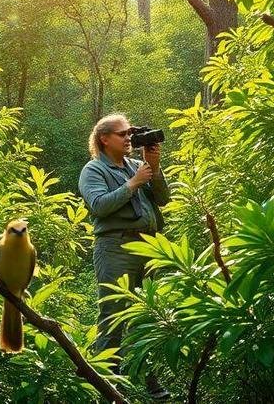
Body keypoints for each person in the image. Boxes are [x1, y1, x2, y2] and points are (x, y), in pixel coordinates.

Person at [78, 113, 171, 399]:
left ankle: (151, 381)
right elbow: (99, 206)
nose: (129, 138)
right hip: (116, 248)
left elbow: (163, 198)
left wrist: (154, 167)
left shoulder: (135, 166)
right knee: (114, 316)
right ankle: (108, 385)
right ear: (104, 139)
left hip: (148, 247)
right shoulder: (93, 170)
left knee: (147, 313)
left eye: (130, 133)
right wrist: (132, 184)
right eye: (122, 134)